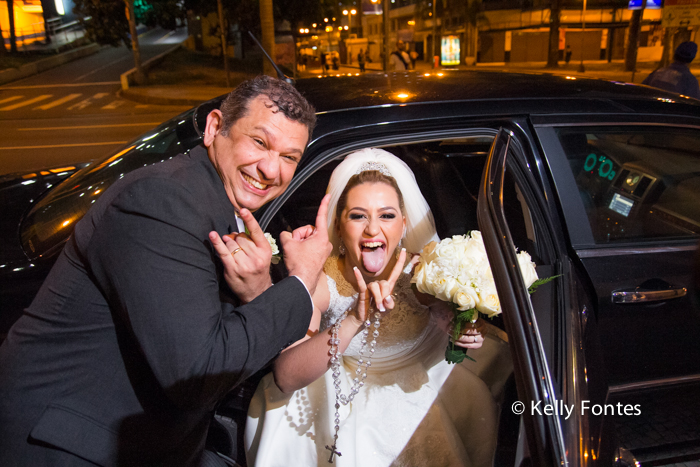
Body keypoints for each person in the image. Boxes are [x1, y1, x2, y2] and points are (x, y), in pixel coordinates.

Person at [0, 76, 332, 466]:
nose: (270, 168)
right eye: (259, 142)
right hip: (70, 445)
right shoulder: (160, 203)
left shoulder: (219, 202)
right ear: (213, 128)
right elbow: (197, 373)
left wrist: (260, 287)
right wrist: (301, 281)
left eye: (290, 157)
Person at [245, 148, 498, 466]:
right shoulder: (323, 281)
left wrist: (466, 330)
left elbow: (452, 320)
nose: (373, 229)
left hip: (421, 384)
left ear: (404, 224)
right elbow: (287, 377)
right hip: (341, 395)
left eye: (387, 215)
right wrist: (354, 318)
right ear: (338, 226)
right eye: (358, 215)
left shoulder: (424, 273)